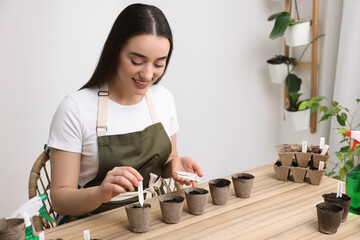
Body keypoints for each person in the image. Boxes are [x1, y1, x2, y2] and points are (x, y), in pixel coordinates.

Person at [48, 3, 202, 223]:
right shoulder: (75, 108)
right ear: (115, 51)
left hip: (154, 219)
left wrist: (175, 165)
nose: (147, 75)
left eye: (159, 64)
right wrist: (100, 192)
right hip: (93, 225)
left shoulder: (163, 99)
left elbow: (168, 158)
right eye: (136, 61)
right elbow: (60, 199)